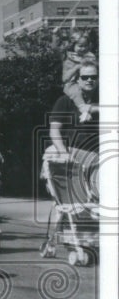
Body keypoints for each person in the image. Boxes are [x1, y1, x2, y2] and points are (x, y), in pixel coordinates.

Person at [49, 57, 99, 205]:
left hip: (99, 158)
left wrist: (92, 108)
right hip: (74, 158)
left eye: (93, 77)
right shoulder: (65, 101)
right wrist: (63, 152)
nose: (89, 80)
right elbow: (54, 130)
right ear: (77, 80)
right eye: (85, 77)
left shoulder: (106, 98)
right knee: (76, 205)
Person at [60, 32, 98, 121]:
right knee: (75, 91)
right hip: (72, 84)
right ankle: (83, 110)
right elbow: (65, 78)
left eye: (86, 46)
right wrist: (77, 67)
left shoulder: (90, 56)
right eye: (80, 46)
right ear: (73, 45)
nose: (83, 48)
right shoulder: (69, 59)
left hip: (88, 83)